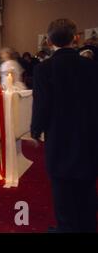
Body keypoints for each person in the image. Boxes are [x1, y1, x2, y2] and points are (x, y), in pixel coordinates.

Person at [31, 19, 98, 233]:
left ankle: (66, 227)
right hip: (88, 136)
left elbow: (42, 104)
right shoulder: (91, 66)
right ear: (75, 38)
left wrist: (35, 130)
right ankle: (87, 226)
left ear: (49, 41)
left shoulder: (43, 69)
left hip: (59, 136)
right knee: (87, 188)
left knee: (62, 189)